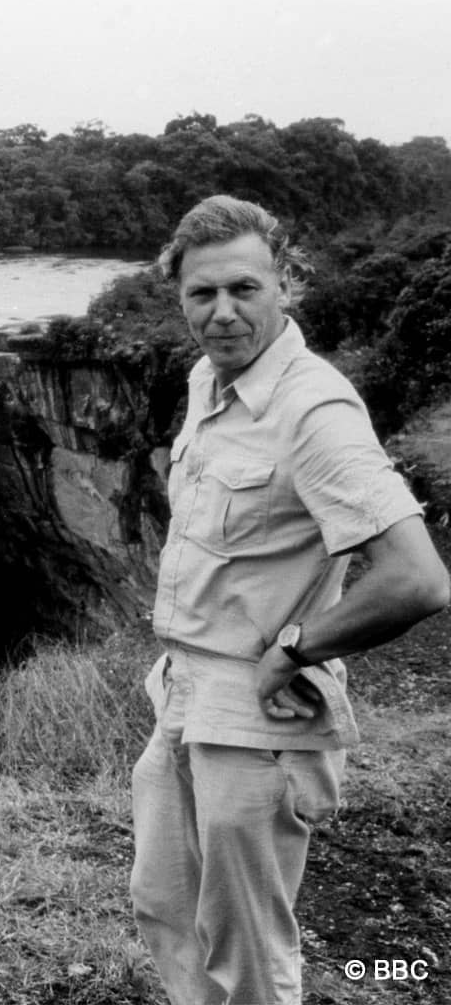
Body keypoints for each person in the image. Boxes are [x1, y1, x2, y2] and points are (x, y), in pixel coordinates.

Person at [129, 194, 450, 1005]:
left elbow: (417, 578)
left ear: (286, 285)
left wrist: (300, 647)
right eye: (202, 294)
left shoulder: (314, 409)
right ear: (180, 300)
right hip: (183, 688)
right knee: (165, 907)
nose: (223, 311)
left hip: (255, 708)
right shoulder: (210, 379)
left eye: (244, 288)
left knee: (249, 953)